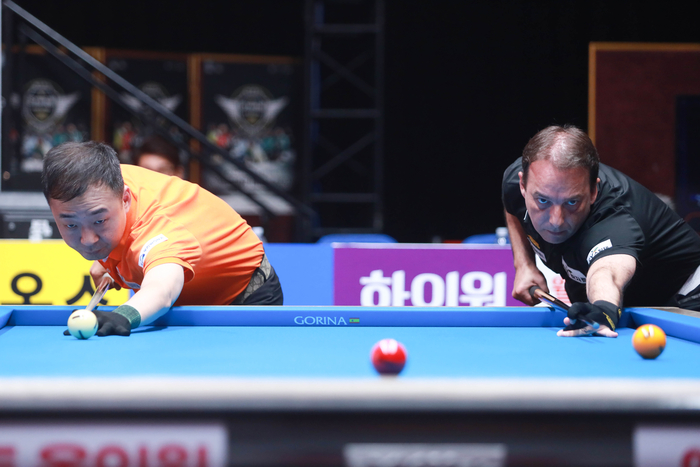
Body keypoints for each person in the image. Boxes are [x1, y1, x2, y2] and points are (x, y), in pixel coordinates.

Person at [43, 141, 283, 337]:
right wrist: (110, 259)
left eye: (99, 221)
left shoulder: (156, 229)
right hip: (186, 306)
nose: (87, 240)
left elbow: (162, 289)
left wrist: (123, 315)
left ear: (125, 199)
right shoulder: (98, 178)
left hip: (245, 298)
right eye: (71, 224)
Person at [502, 125, 700, 338]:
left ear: (593, 191)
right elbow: (512, 204)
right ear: (523, 185)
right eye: (543, 200)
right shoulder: (517, 181)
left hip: (686, 295)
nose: (556, 221)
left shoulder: (614, 219)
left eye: (572, 202)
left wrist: (603, 309)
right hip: (633, 300)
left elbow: (607, 272)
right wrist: (524, 264)